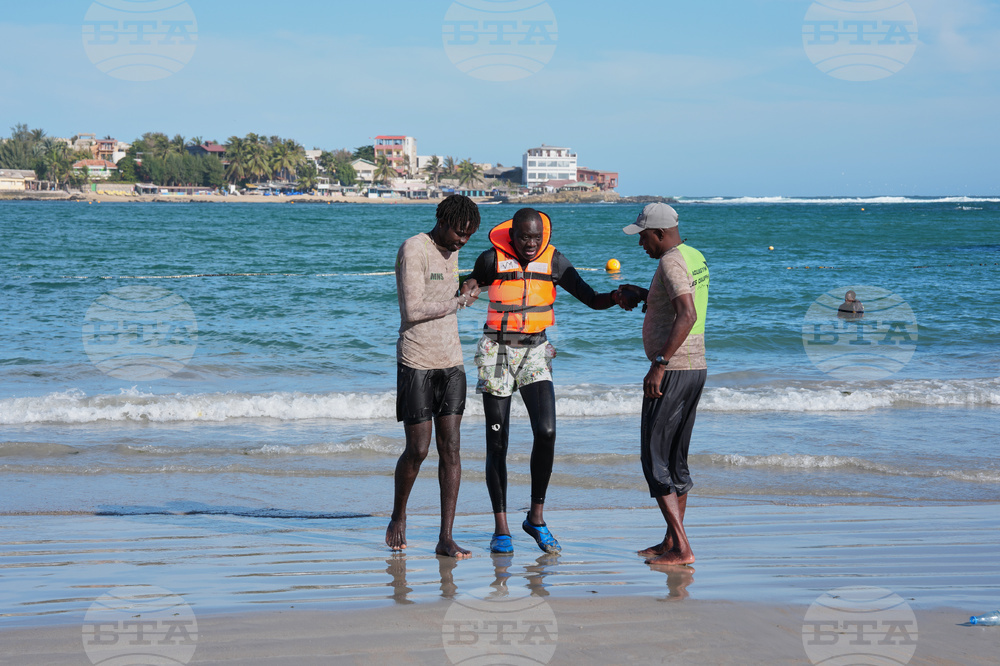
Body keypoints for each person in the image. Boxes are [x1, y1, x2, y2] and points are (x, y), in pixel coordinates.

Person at [463, 208, 622, 554]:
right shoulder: (491, 258)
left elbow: (590, 297)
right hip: (497, 353)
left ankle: (535, 518)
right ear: (512, 235)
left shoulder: (555, 262)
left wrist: (616, 297)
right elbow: (474, 280)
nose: (531, 244)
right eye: (524, 237)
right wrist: (471, 286)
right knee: (498, 442)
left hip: (535, 350)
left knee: (547, 431)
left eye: (537, 237)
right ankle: (501, 527)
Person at [386, 195, 481, 559]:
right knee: (419, 449)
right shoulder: (415, 249)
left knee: (452, 450)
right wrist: (458, 302)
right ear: (442, 221)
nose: (462, 242)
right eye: (459, 233)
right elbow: (412, 309)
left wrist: (470, 284)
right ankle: (398, 516)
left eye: (469, 236)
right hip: (417, 360)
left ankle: (446, 537)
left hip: (452, 361)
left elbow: (453, 289)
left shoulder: (454, 250)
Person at [615, 203, 709, 566]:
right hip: (695, 367)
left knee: (654, 460)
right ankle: (672, 541)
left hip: (672, 370)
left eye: (643, 237)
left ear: (659, 234)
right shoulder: (692, 255)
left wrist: (659, 364)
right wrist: (646, 296)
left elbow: (688, 312)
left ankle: (683, 548)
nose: (640, 244)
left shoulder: (669, 261)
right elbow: (680, 301)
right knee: (675, 459)